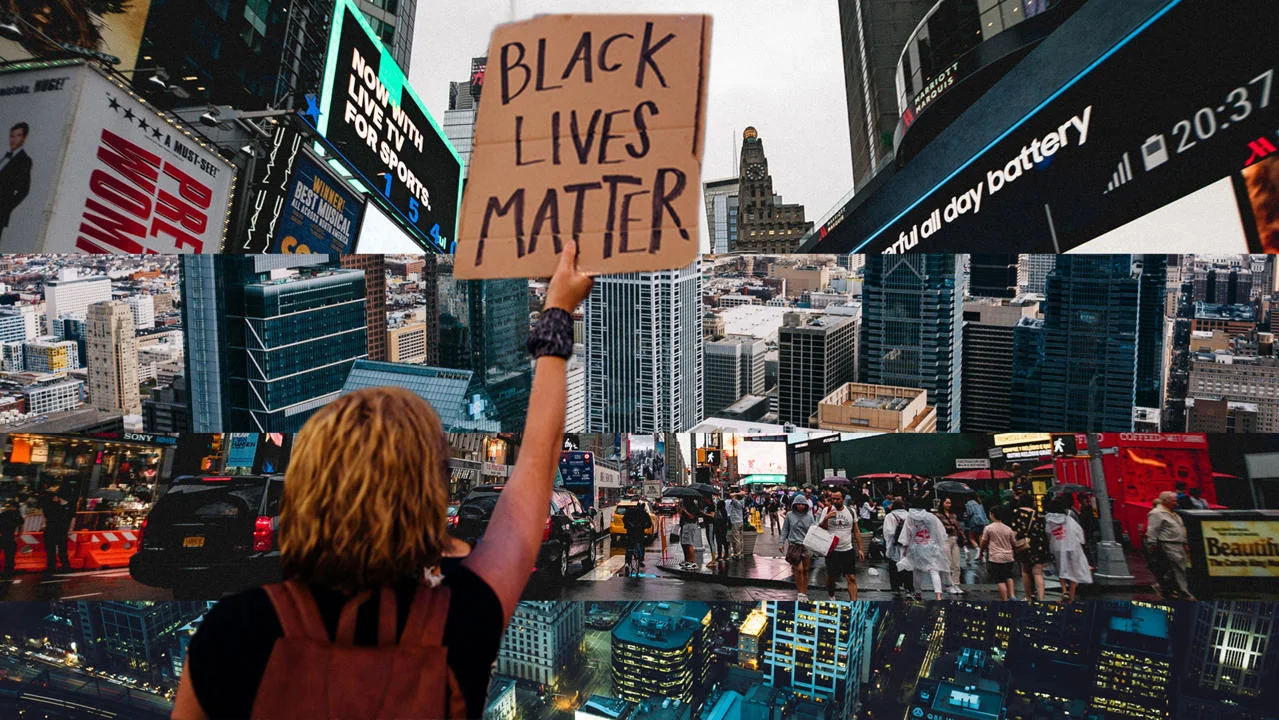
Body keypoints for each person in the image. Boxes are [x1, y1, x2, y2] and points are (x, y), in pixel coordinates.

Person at [170, 240, 595, 720]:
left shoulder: (232, 631)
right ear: (428, 495)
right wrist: (557, 309)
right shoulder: (462, 612)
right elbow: (539, 454)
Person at [898, 496, 951, 601]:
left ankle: (918, 593)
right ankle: (938, 595)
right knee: (934, 570)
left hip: (916, 547)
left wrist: (905, 548)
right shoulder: (931, 517)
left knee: (917, 571)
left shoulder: (910, 517)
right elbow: (939, 532)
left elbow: (906, 534)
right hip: (931, 547)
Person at [1146, 490, 1195, 600]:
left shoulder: (1173, 513)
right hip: (1168, 544)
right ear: (1165, 501)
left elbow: (1181, 529)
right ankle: (1185, 593)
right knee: (1179, 569)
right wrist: (1152, 543)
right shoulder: (1157, 513)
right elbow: (1153, 529)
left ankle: (1163, 587)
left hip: (1179, 544)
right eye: (1173, 501)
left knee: (1180, 568)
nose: (1176, 503)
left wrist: (1184, 543)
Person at [818, 490, 864, 600]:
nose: (835, 501)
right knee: (832, 577)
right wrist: (826, 518)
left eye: (837, 499)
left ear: (843, 499)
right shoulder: (827, 510)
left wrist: (860, 549)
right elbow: (820, 528)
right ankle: (831, 595)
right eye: (833, 499)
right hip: (832, 550)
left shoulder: (851, 511)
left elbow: (856, 531)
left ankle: (853, 601)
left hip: (847, 549)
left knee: (851, 578)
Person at [1044, 496, 1092, 603]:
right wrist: (1082, 542)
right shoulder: (1069, 519)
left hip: (1056, 547)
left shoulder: (1048, 521)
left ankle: (1064, 591)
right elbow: (1078, 532)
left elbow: (1048, 533)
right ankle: (1072, 596)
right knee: (1073, 571)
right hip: (1072, 546)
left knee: (1061, 570)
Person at [1010, 494, 1050, 601]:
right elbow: (1043, 532)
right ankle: (1041, 598)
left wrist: (1012, 544)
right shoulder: (1037, 514)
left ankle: (1028, 597)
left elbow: (1014, 531)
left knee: (1025, 571)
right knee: (1038, 572)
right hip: (1038, 545)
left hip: (1025, 545)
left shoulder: (1017, 512)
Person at [0, 122, 32, 243]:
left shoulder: (24, 161)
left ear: (24, 138)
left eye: (17, 136)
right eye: (12, 136)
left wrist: (4, 208)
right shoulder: (6, 157)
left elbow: (24, 190)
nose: (13, 139)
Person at [780, 495, 816, 601]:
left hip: (807, 546)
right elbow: (785, 529)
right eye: (798, 504)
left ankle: (804, 592)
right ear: (794, 505)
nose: (800, 506)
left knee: (805, 570)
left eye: (802, 504)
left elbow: (813, 530)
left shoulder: (809, 516)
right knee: (799, 569)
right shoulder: (789, 515)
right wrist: (781, 542)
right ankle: (800, 592)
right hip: (794, 545)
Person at [979, 506, 1018, 601]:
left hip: (996, 557)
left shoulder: (988, 528)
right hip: (1008, 557)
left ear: (992, 515)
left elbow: (984, 542)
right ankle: (1012, 596)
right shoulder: (1008, 529)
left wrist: (981, 553)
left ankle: (1004, 600)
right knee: (1009, 576)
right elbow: (1014, 543)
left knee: (1000, 580)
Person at [38, 482, 73, 573]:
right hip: (59, 530)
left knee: (54, 550)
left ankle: (53, 566)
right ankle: (63, 566)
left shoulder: (51, 506)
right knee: (60, 550)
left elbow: (46, 516)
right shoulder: (63, 506)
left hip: (54, 529)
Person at [935, 497, 966, 595]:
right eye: (947, 503)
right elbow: (939, 528)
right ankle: (948, 585)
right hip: (945, 540)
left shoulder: (953, 515)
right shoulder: (938, 515)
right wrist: (950, 527)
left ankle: (956, 584)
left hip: (955, 539)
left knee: (956, 564)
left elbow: (958, 527)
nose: (948, 505)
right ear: (942, 503)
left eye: (950, 503)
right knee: (947, 563)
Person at [883, 500, 913, 598]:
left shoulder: (890, 516)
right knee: (908, 567)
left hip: (895, 546)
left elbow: (889, 532)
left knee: (894, 567)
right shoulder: (910, 515)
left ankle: (896, 588)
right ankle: (909, 588)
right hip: (908, 546)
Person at [621, 502, 653, 569]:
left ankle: (627, 563)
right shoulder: (644, 513)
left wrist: (628, 525)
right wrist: (644, 526)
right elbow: (649, 523)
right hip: (639, 533)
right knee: (641, 546)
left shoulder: (630, 511)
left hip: (631, 532)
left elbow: (624, 519)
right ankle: (640, 560)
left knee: (629, 548)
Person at [679, 495, 703, 570]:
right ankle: (688, 560)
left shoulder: (693, 506)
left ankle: (693, 562)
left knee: (689, 543)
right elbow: (681, 514)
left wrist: (685, 510)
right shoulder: (686, 505)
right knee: (685, 543)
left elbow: (692, 517)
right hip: (686, 525)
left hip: (690, 525)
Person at [0, 500, 21, 577]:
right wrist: (18, 536)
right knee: (10, 555)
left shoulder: (4, 514)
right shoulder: (16, 514)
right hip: (9, 536)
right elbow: (21, 526)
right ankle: (9, 571)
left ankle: (7, 571)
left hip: (4, 536)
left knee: (8, 555)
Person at [726, 491, 746, 560]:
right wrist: (740, 494)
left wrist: (737, 493)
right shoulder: (742, 502)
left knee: (736, 538)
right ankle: (741, 553)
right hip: (740, 521)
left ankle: (737, 554)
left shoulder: (736, 502)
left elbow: (730, 495)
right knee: (740, 538)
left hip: (735, 521)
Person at [712, 499, 730, 568]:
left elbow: (718, 519)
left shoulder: (720, 511)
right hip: (723, 528)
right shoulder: (724, 511)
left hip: (719, 528)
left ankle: (720, 555)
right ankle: (725, 554)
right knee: (723, 541)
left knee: (720, 541)